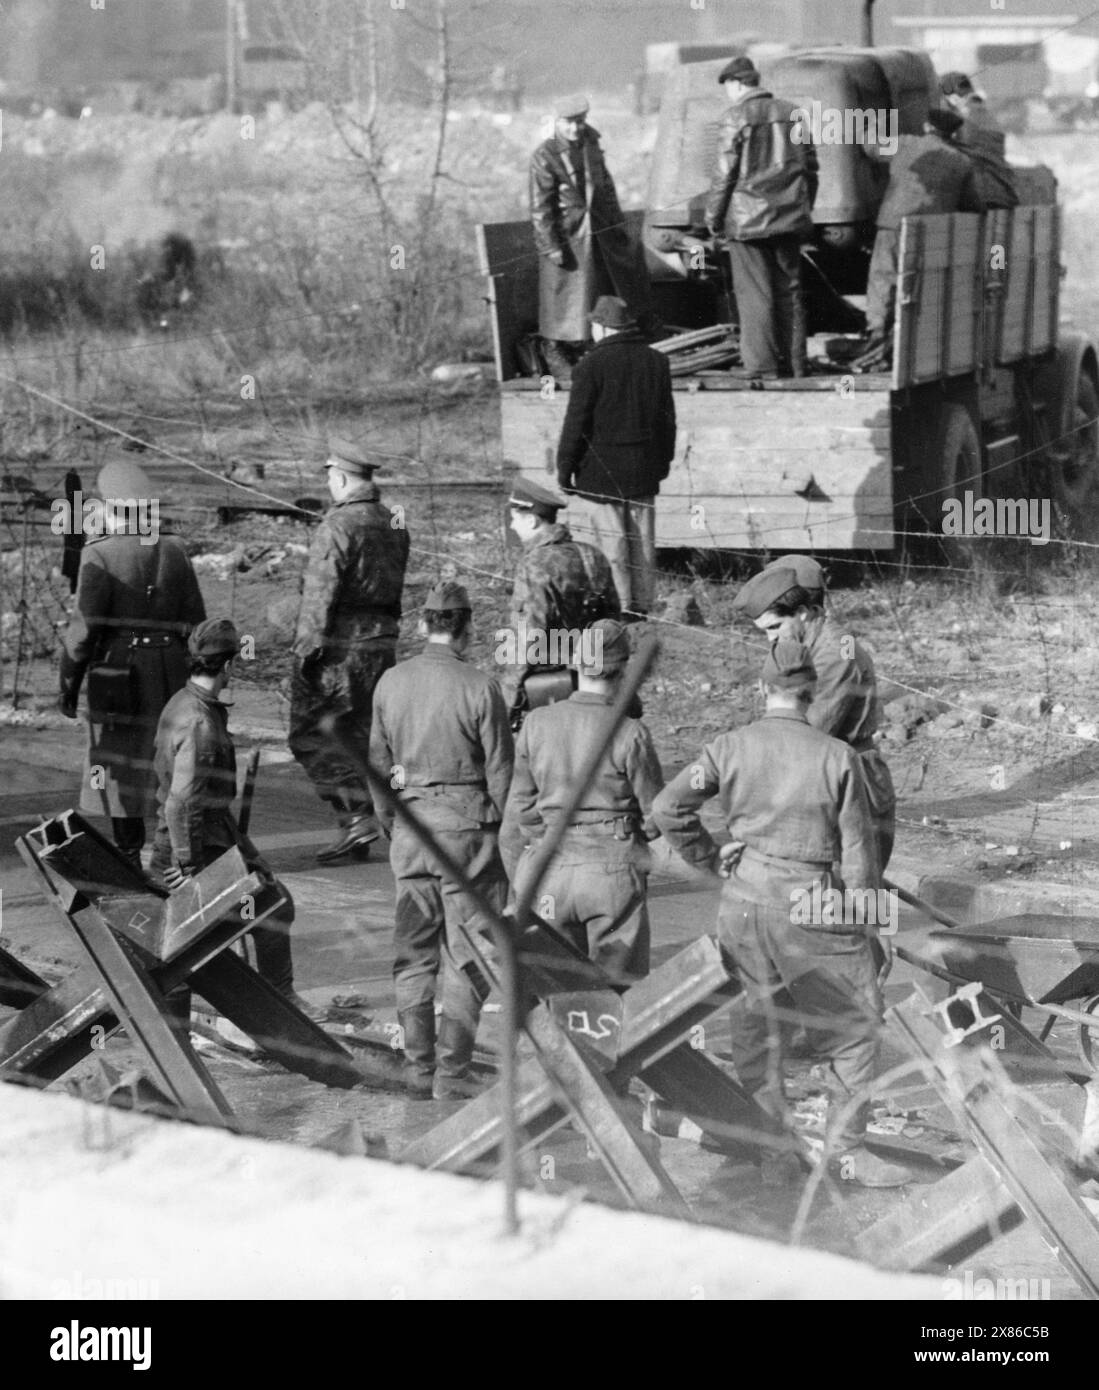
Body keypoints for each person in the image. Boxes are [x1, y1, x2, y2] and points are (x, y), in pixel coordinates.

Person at [651, 639, 910, 1187]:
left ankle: (775, 1154)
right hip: (812, 902)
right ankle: (846, 1153)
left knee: (757, 1034)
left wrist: (707, 856)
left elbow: (668, 808)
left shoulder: (728, 747)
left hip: (743, 904)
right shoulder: (837, 757)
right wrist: (871, 931)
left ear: (761, 690)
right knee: (856, 1028)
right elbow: (859, 856)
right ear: (812, 693)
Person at [370, 583, 514, 1100]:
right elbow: (501, 774)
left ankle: (417, 1068)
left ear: (422, 624)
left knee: (413, 953)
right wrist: (505, 840)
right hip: (468, 836)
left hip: (411, 833)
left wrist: (393, 820)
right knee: (466, 954)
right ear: (467, 627)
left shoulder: (390, 682)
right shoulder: (481, 686)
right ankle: (452, 1075)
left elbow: (378, 765)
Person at [150, 618, 313, 1013]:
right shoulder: (202, 722)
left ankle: (188, 1026)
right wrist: (189, 866)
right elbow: (182, 802)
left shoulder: (184, 701)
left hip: (196, 839)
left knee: (182, 943)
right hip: (200, 844)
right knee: (272, 909)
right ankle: (279, 1007)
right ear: (227, 666)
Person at [59, 458, 206, 869]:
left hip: (117, 674)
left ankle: (128, 856)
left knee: (119, 764)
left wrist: (68, 686)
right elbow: (196, 620)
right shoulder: (175, 550)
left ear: (109, 508)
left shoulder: (99, 555)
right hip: (173, 668)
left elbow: (83, 632)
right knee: (170, 761)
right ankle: (172, 854)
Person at [501, 618, 663, 988]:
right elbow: (657, 815)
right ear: (622, 672)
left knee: (559, 991)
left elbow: (520, 811)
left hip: (548, 869)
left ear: (575, 665)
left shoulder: (536, 723)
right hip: (611, 870)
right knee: (617, 995)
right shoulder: (630, 732)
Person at [290, 435, 409, 864]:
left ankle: (358, 815)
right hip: (382, 642)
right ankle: (384, 815)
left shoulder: (337, 526)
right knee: (368, 735)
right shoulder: (392, 520)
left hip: (340, 649)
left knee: (311, 734)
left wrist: (305, 652)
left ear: (338, 477)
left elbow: (320, 595)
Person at [739, 558, 897, 868]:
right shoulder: (796, 645)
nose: (770, 638)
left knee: (853, 892)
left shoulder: (838, 652)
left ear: (803, 611)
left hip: (852, 779)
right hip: (818, 775)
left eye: (774, 627)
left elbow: (808, 732)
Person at [557, 295, 676, 619]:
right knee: (643, 545)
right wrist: (663, 462)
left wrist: (564, 468)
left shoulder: (589, 367)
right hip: (644, 470)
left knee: (612, 546)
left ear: (602, 327)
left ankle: (619, 608)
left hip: (600, 473)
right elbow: (668, 421)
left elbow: (576, 423)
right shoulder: (657, 362)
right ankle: (644, 607)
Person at [703, 56, 818, 381]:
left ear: (736, 84)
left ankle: (762, 367)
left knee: (755, 295)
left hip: (747, 222)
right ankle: (796, 365)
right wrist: (802, 209)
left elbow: (724, 174)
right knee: (790, 292)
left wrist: (713, 217)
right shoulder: (792, 112)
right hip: (790, 219)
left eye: (727, 87)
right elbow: (811, 170)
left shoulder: (735, 117)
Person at [530, 94, 650, 383]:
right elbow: (540, 207)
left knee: (596, 293)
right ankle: (554, 349)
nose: (575, 129)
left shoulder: (591, 146)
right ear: (557, 123)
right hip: (567, 236)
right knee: (562, 302)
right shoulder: (544, 155)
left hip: (598, 233)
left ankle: (590, 349)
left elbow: (606, 189)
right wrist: (551, 246)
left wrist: (617, 225)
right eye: (569, 123)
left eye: (580, 122)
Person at [856, 109, 986, 370]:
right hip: (931, 232)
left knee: (884, 279)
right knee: (920, 286)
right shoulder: (961, 162)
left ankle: (878, 332)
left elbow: (871, 147)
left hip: (893, 225)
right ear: (952, 133)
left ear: (927, 126)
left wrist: (870, 123)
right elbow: (974, 204)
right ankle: (910, 340)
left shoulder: (906, 144)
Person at [504, 476, 620, 730]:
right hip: (597, 679)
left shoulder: (534, 564)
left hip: (552, 687)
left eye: (515, 518)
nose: (512, 525)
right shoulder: (593, 554)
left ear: (532, 520)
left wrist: (509, 701)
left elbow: (528, 640)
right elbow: (613, 620)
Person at [940, 72, 1018, 210]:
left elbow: (964, 149)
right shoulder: (982, 112)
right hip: (999, 188)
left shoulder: (968, 114)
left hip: (983, 190)